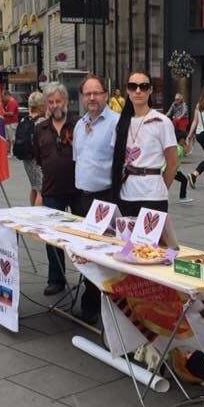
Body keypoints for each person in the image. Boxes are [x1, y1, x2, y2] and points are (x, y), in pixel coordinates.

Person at [72, 74, 119, 323]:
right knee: (84, 253)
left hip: (106, 199)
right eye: (87, 94)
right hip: (83, 198)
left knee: (101, 256)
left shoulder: (116, 123)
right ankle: (90, 303)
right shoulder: (80, 125)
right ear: (82, 98)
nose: (92, 97)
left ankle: (101, 307)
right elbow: (78, 161)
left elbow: (122, 164)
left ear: (105, 95)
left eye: (96, 93)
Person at [110, 69, 178, 216]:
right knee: (127, 239)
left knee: (151, 240)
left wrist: (160, 188)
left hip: (153, 196)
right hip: (126, 194)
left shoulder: (162, 122)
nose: (138, 91)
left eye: (144, 86)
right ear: (128, 90)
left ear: (150, 90)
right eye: (133, 86)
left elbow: (172, 163)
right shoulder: (121, 123)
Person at [34, 83, 80, 295]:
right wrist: (39, 193)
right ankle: (56, 279)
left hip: (79, 189)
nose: (54, 105)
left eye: (58, 101)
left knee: (83, 237)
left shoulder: (79, 125)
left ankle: (88, 279)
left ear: (66, 102)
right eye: (50, 102)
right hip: (51, 191)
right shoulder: (40, 129)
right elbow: (38, 162)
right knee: (52, 238)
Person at [20, 91, 46, 206]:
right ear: (41, 105)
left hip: (27, 159)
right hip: (38, 159)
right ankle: (38, 215)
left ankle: (32, 209)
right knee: (41, 191)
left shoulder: (24, 120)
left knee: (34, 187)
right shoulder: (41, 121)